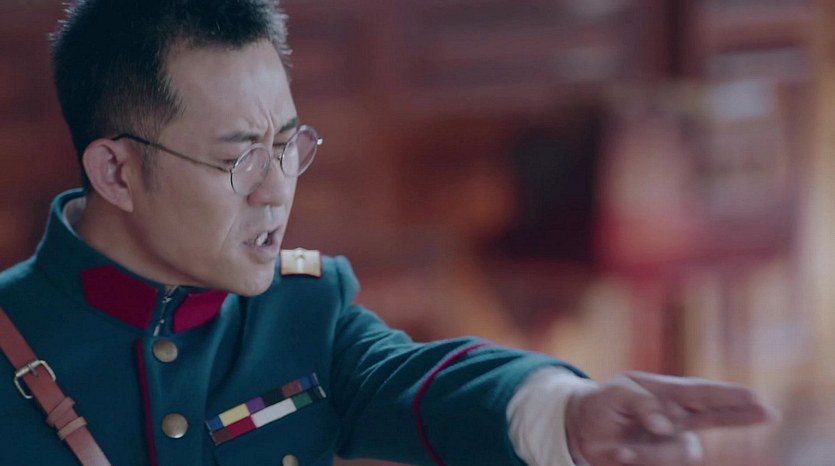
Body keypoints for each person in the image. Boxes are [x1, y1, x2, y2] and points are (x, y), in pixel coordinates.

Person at [0, 1, 776, 465]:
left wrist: (567, 412)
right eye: (239, 159)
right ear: (117, 172)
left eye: (288, 146)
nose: (277, 190)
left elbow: (415, 382)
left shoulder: (302, 309)